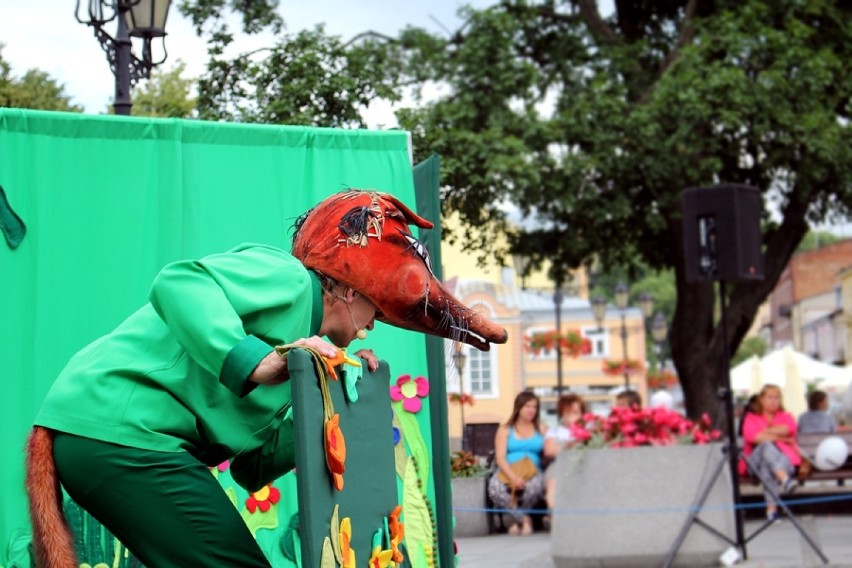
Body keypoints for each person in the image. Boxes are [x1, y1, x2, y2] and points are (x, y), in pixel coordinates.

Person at [25, 190, 509, 567]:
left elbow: (249, 468)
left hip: (109, 439)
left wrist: (339, 401)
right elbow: (178, 282)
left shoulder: (306, 356)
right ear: (344, 285)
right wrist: (255, 363)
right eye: (374, 310)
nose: (368, 327)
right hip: (114, 426)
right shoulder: (291, 279)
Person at [489, 391, 547, 536]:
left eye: (534, 407)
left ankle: (518, 522)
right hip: (509, 470)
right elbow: (500, 458)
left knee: (535, 487)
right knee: (495, 490)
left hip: (533, 471)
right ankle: (524, 519)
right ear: (518, 407)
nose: (531, 410)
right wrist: (513, 478)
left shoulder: (542, 428)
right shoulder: (504, 430)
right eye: (527, 406)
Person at [740, 384, 801, 521]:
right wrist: (781, 437)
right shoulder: (752, 417)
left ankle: (771, 511)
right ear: (761, 399)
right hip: (754, 461)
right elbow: (753, 437)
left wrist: (766, 431)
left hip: (784, 460)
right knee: (766, 446)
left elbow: (790, 428)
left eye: (777, 397)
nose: (774, 401)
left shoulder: (786, 416)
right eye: (770, 397)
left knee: (768, 467)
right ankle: (785, 480)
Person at [542, 393, 587, 510]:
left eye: (576, 412)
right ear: (562, 414)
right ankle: (555, 516)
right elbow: (550, 450)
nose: (572, 417)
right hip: (559, 464)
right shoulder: (555, 431)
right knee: (553, 483)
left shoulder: (589, 429)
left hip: (584, 465)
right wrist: (572, 444)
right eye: (569, 413)